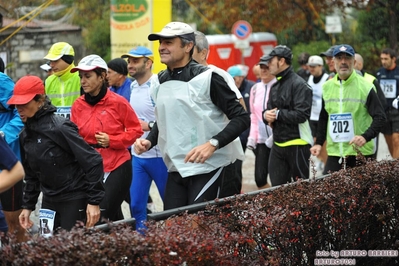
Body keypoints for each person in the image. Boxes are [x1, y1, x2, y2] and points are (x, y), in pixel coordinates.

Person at [134, 21, 250, 210]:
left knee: (199, 227)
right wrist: (150, 141)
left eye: (169, 42)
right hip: (176, 167)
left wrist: (212, 144)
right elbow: (165, 120)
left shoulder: (210, 78)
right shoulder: (158, 81)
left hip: (209, 166)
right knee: (174, 227)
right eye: (161, 43)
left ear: (188, 46)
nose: (162, 47)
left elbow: (242, 118)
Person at [6, 75, 105, 233]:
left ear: (40, 100)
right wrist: (28, 206)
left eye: (24, 103)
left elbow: (93, 161)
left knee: (71, 252)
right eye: (16, 104)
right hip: (49, 202)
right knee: (47, 250)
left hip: (74, 199)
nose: (19, 109)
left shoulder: (60, 127)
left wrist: (94, 201)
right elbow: (32, 175)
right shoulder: (25, 135)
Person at [70, 55, 143, 222]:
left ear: (102, 76)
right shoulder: (78, 105)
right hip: (90, 167)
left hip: (117, 164)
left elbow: (135, 130)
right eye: (81, 77)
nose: (83, 81)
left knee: (100, 217)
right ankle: (128, 244)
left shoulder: (118, 102)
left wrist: (113, 140)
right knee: (111, 219)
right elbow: (73, 138)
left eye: (87, 76)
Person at [310, 44, 386, 174]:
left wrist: (365, 136)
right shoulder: (327, 86)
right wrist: (319, 142)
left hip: (360, 152)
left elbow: (380, 117)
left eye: (347, 58)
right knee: (331, 191)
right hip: (335, 152)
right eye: (339, 58)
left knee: (362, 193)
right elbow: (324, 117)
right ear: (333, 62)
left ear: (354, 62)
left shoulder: (366, 86)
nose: (343, 62)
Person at [192, 30, 246, 197]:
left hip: (222, 156)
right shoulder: (180, 79)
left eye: (189, 49)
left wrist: (217, 140)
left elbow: (241, 110)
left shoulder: (217, 75)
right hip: (194, 157)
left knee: (222, 208)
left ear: (203, 53)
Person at [120, 46, 168, 231]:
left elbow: (167, 119)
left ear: (148, 63)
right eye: (129, 61)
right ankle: (144, 248)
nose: (130, 65)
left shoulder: (157, 85)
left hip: (160, 157)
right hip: (139, 157)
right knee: (136, 206)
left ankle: (177, 247)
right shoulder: (132, 86)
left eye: (135, 61)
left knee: (171, 206)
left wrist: (146, 126)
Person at [263, 45, 313, 187]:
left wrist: (277, 114)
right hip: (278, 144)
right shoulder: (275, 86)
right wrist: (266, 115)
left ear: (282, 61)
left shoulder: (300, 85)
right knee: (277, 191)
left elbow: (302, 115)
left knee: (301, 192)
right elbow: (268, 111)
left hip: (298, 144)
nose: (268, 65)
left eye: (271, 61)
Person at [0, 72, 26, 242]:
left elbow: (21, 108)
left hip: (7, 162)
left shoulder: (2, 81)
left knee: (13, 225)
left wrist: (4, 134)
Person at [247, 55, 276, 189]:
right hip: (262, 140)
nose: (264, 70)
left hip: (278, 139)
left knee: (278, 178)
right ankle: (273, 205)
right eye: (261, 67)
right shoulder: (254, 89)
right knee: (259, 178)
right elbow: (253, 116)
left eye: (267, 67)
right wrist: (252, 138)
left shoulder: (278, 86)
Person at [306, 55, 329, 170]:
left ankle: (326, 166)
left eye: (314, 66)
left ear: (321, 66)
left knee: (323, 144)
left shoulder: (327, 78)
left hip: (323, 117)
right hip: (312, 117)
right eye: (310, 66)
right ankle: (323, 163)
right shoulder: (308, 79)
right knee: (315, 143)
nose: (312, 69)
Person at [376, 48, 399, 159]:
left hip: (397, 111)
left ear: (393, 59)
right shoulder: (379, 73)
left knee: (396, 140)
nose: (383, 61)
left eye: (386, 59)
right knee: (389, 141)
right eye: (382, 59)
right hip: (384, 111)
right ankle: (395, 163)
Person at [43, 42, 81, 110]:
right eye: (50, 61)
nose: (51, 65)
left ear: (67, 59)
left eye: (55, 60)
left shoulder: (81, 78)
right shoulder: (48, 81)